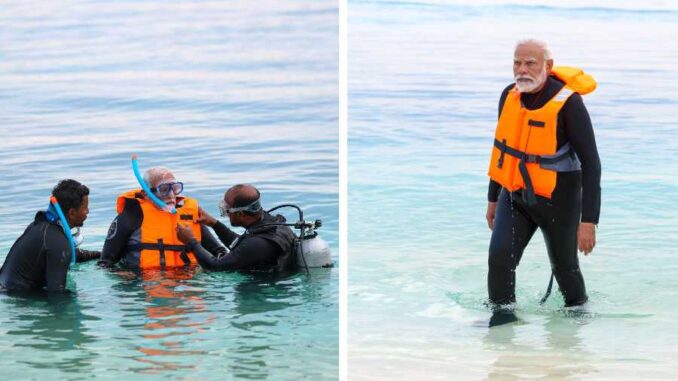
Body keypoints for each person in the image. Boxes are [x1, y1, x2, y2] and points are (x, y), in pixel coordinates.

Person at [486, 39, 601, 308]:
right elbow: (504, 149)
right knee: (499, 259)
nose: (521, 69)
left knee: (565, 270)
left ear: (548, 66)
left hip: (558, 200)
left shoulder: (569, 104)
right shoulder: (508, 96)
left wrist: (589, 221)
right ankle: (502, 321)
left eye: (530, 63)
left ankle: (576, 324)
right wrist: (493, 197)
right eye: (517, 62)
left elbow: (592, 164)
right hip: (515, 195)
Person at [99, 167, 223, 269]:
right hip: (143, 286)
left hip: (188, 284)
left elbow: (219, 252)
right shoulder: (131, 216)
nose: (171, 195)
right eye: (163, 189)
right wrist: (121, 275)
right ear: (145, 194)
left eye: (175, 188)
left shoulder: (189, 215)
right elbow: (104, 263)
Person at [0, 179, 100, 293]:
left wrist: (98, 255)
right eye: (85, 208)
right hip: (17, 298)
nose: (88, 211)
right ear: (72, 213)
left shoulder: (41, 227)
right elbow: (57, 294)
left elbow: (67, 253)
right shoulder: (58, 242)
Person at [175, 184, 297, 272]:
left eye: (227, 210)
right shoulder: (271, 223)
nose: (227, 214)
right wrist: (215, 224)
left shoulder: (258, 244)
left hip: (264, 294)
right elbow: (240, 245)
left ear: (240, 214)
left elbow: (215, 266)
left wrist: (191, 242)